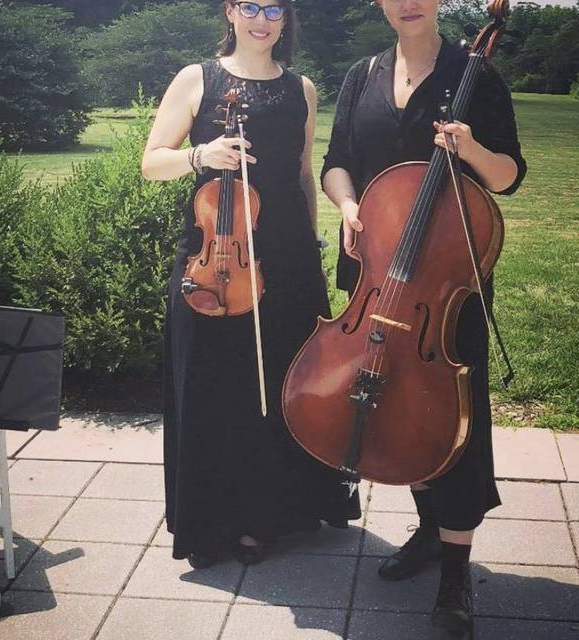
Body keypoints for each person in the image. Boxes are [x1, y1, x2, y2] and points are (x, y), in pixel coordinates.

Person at [321, 0, 527, 637]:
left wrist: (470, 146)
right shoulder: (362, 74)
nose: (407, 2)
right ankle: (430, 535)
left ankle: (456, 573)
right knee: (391, 405)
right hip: (378, 271)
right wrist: (349, 207)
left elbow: (509, 175)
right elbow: (337, 164)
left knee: (453, 418)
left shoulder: (477, 74)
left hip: (444, 282)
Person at [141, 0, 360, 568]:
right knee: (215, 386)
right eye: (250, 6)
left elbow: (302, 176)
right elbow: (152, 161)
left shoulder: (302, 89)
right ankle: (214, 520)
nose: (262, 18)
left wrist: (312, 249)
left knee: (285, 388)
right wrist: (201, 155)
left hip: (285, 259)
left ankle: (275, 514)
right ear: (230, 13)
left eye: (275, 8)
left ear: (285, 19)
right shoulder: (198, 78)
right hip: (213, 261)